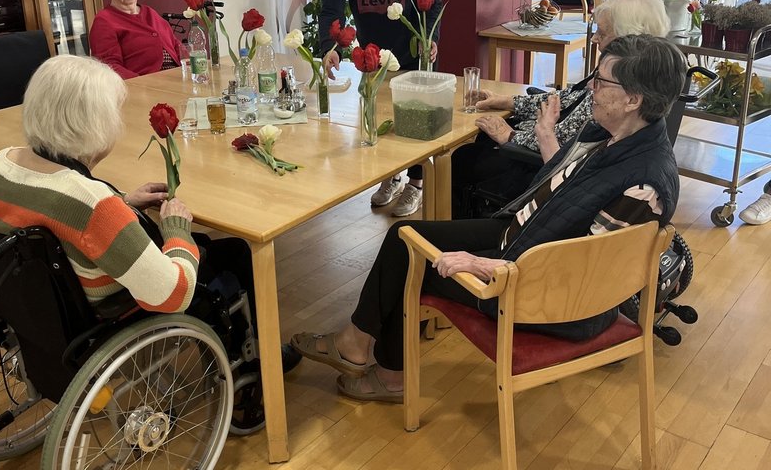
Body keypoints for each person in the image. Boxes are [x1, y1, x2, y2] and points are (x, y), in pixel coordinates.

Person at [291, 35, 686, 402]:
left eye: (601, 81)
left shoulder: (644, 183)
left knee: (413, 260)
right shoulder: (617, 137)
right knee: (404, 235)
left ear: (633, 99)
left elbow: (582, 268)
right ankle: (356, 343)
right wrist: (546, 133)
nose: (592, 89)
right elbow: (567, 193)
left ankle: (384, 371)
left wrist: (485, 266)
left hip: (552, 298)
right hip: (525, 241)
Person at [0, 55, 301, 371]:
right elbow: (173, 294)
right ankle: (258, 361)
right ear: (95, 124)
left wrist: (123, 202)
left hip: (38, 309)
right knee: (233, 252)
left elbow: (60, 214)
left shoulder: (3, 165)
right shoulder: (92, 204)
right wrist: (176, 228)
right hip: (108, 311)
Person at [452, 0, 670, 218]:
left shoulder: (615, 91)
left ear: (628, 38)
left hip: (541, 168)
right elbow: (566, 97)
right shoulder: (628, 74)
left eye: (602, 33)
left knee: (464, 158)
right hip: (545, 149)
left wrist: (510, 136)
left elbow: (567, 145)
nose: (594, 39)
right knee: (482, 138)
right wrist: (508, 101)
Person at [319, 0, 444, 217]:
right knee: (379, 121)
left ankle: (416, 183)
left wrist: (430, 39)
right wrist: (329, 47)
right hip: (374, 60)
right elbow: (331, 11)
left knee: (414, 124)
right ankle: (392, 177)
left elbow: (432, 6)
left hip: (413, 56)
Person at [90, 0, 186, 79]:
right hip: (144, 84)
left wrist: (192, 65)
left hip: (177, 77)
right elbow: (110, 67)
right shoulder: (104, 21)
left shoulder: (150, 12)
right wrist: (141, 85)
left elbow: (176, 45)